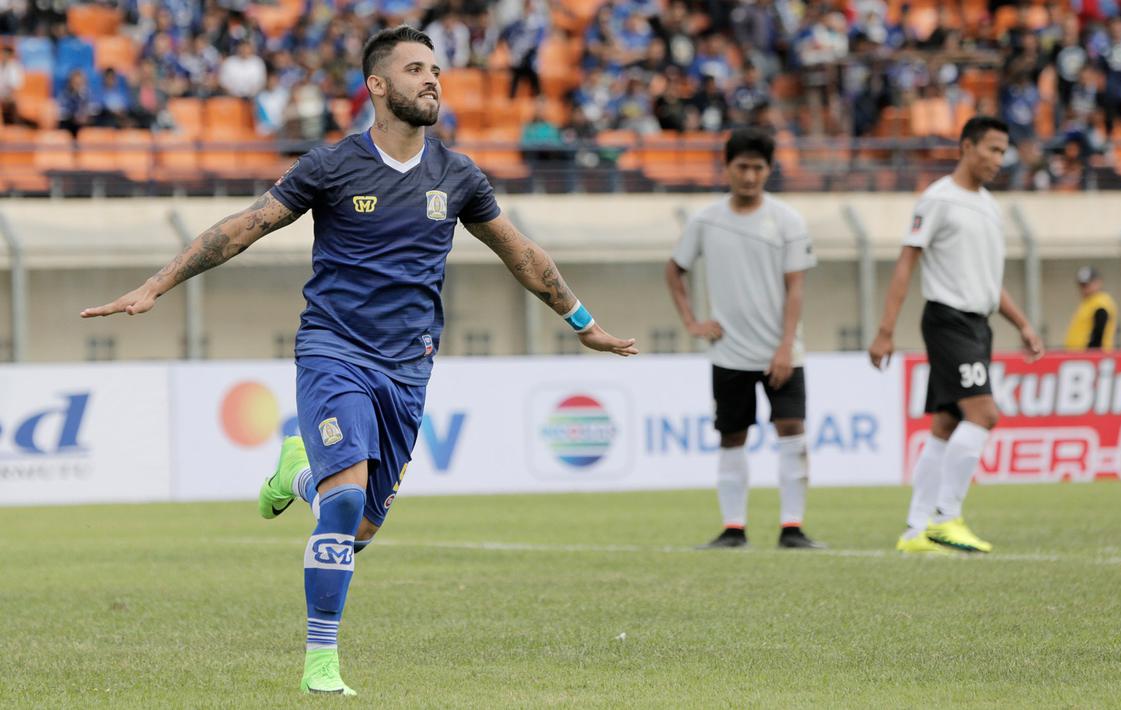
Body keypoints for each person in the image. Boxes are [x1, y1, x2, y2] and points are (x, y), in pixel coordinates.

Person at [81, 26, 637, 696]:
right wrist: (155, 285)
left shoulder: (458, 175)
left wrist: (582, 322)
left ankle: (299, 470)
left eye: (435, 69)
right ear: (377, 86)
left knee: (357, 529)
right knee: (343, 510)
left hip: (409, 369)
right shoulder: (332, 165)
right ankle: (321, 664)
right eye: (414, 69)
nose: (432, 79)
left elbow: (521, 254)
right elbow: (245, 226)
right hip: (334, 351)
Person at [868, 116, 1043, 555]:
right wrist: (885, 330)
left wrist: (1021, 323)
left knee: (946, 423)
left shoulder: (988, 205)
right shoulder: (938, 199)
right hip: (948, 319)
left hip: (977, 324)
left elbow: (987, 280)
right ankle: (947, 518)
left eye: (1004, 152)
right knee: (984, 415)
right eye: (993, 150)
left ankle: (915, 530)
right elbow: (906, 262)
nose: (999, 160)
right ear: (967, 147)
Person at [665, 127, 824, 551]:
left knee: (791, 430)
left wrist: (786, 345)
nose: (750, 176)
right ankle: (733, 528)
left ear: (769, 169)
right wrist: (692, 322)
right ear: (727, 167)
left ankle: (793, 527)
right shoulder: (706, 220)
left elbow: (796, 288)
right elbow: (674, 270)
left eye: (758, 167)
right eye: (742, 167)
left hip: (781, 352)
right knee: (732, 436)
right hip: (730, 351)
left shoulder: (788, 220)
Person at [1064, 266, 1117, 352]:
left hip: (1091, 357)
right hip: (1081, 357)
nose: (1083, 289)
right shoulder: (1089, 302)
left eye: (1086, 285)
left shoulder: (1100, 302)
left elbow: (1098, 332)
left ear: (1098, 282)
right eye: (1081, 285)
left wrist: (1092, 353)